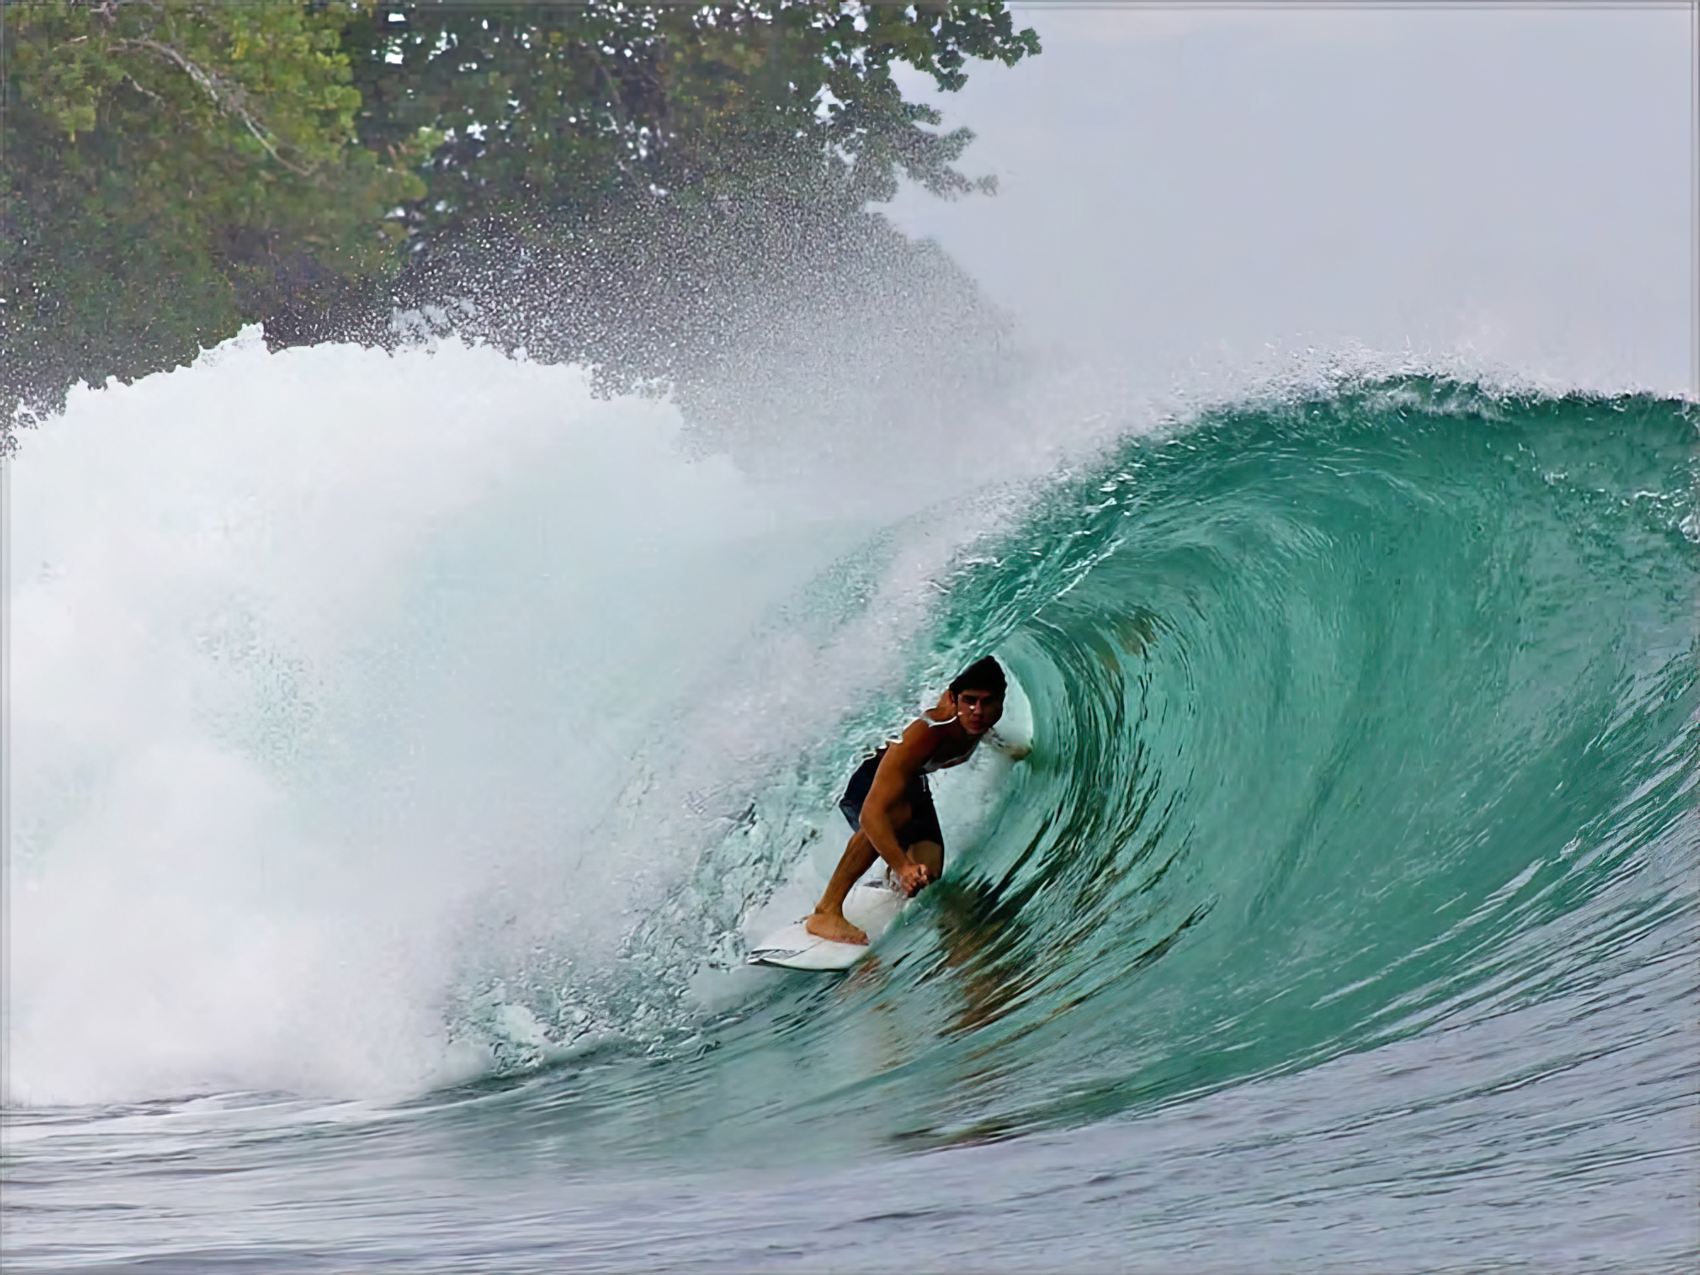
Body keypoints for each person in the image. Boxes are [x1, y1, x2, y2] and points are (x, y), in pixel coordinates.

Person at [804, 656, 1030, 945]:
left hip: (914, 785)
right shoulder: (928, 731)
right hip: (869, 779)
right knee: (893, 819)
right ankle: (826, 910)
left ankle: (888, 873)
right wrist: (903, 866)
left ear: (1001, 700)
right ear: (953, 698)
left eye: (987, 702)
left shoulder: (977, 718)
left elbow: (981, 720)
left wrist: (1004, 747)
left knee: (928, 877)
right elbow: (871, 814)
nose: (977, 711)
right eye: (969, 701)